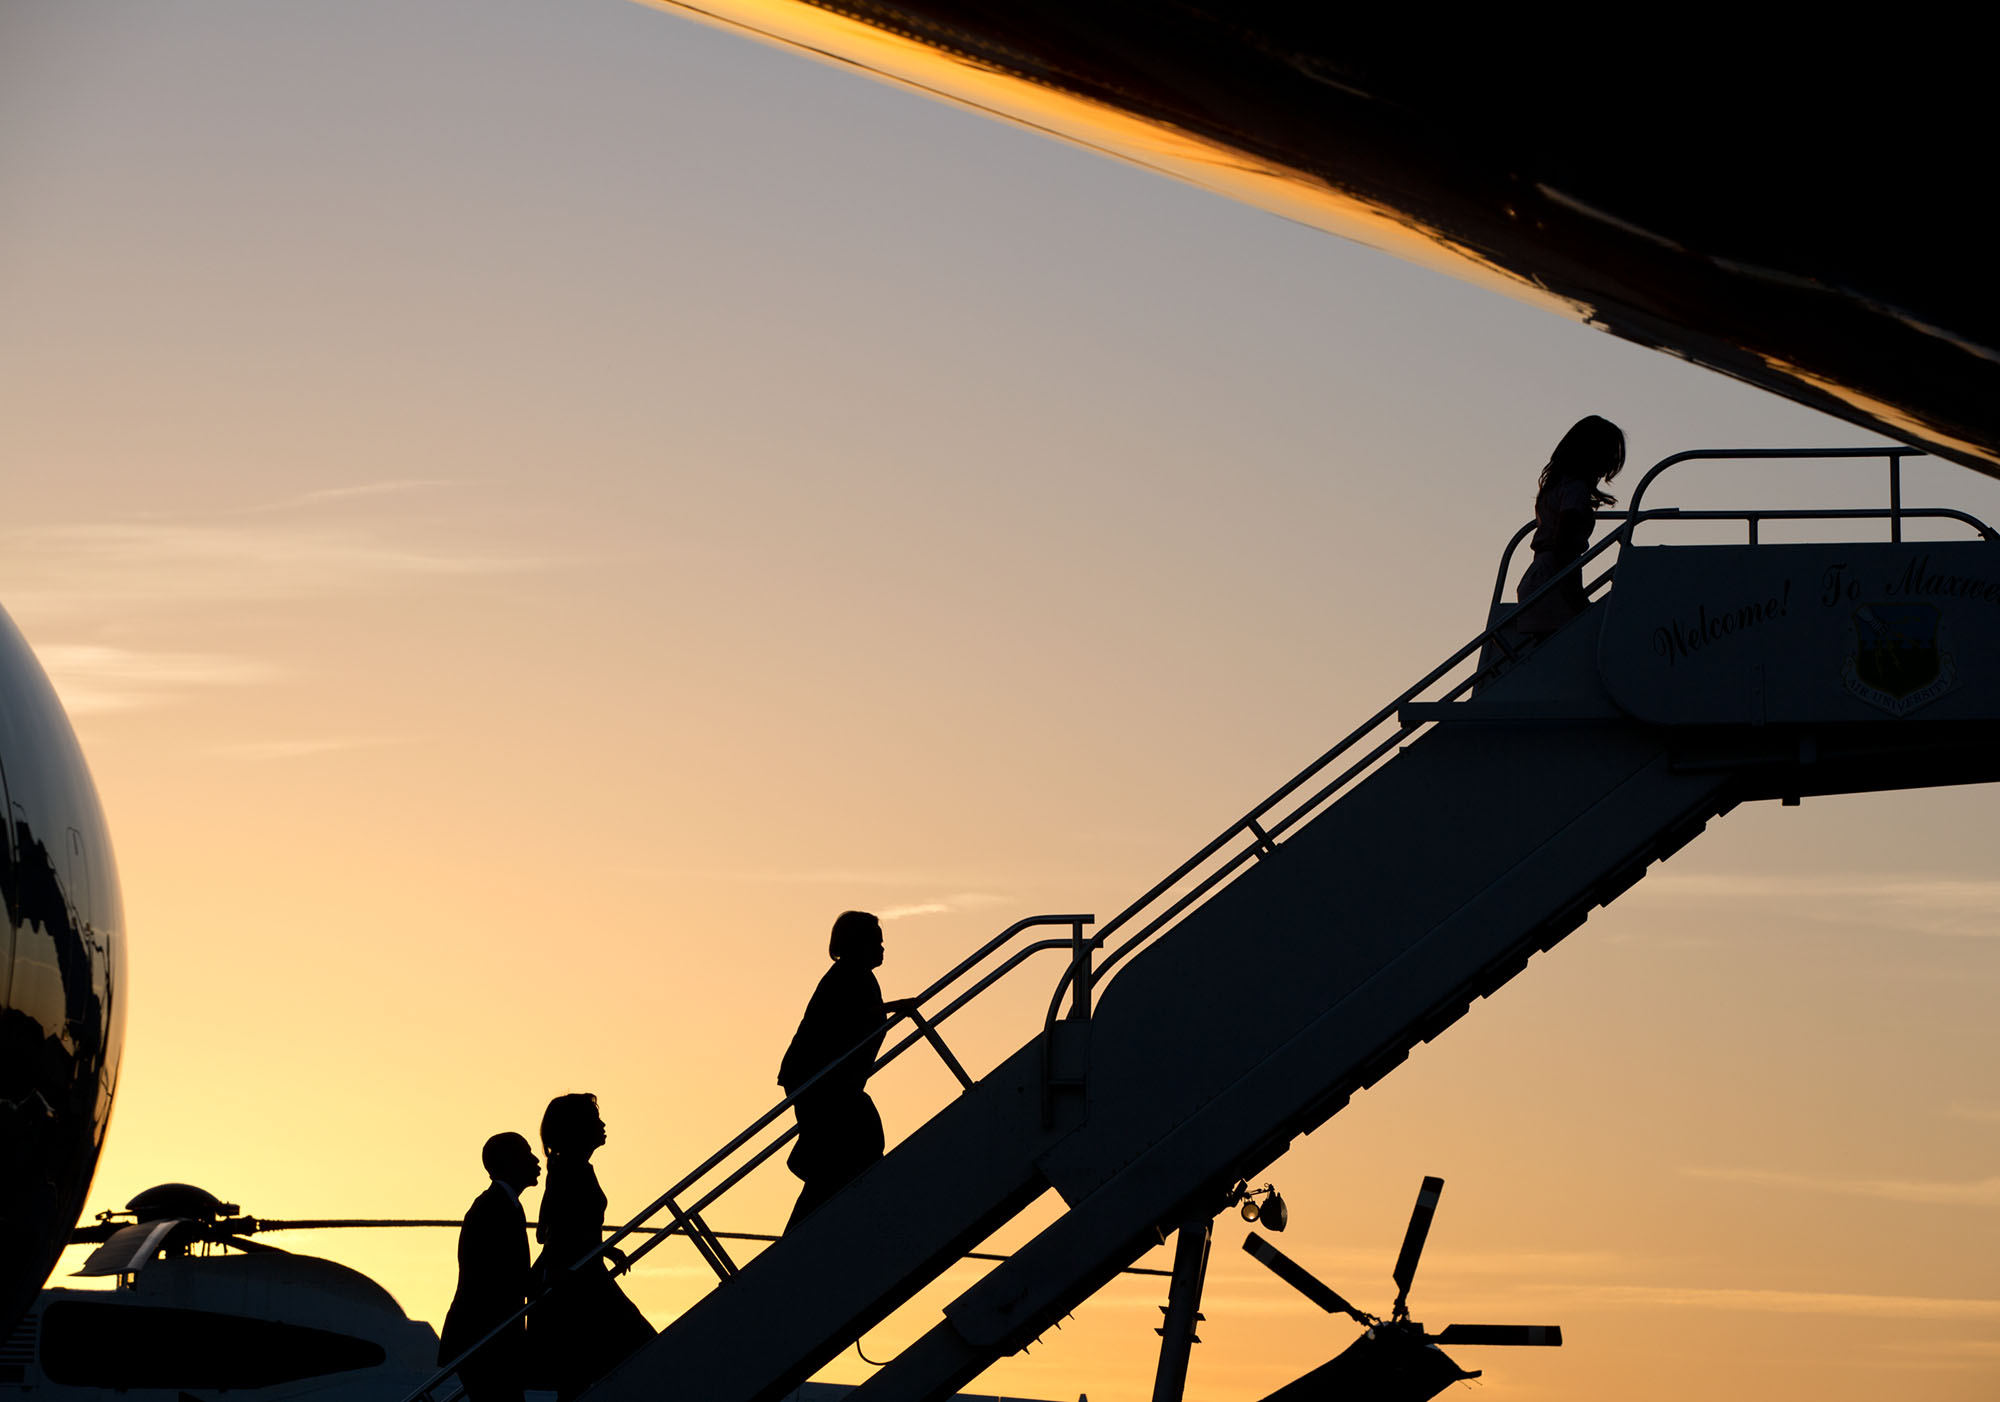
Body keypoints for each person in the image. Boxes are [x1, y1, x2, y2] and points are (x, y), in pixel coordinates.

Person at [778, 910, 916, 1232]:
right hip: (818, 1081)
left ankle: (816, 1226)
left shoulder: (854, 976)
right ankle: (806, 1234)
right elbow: (848, 1016)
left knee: (839, 1156)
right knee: (850, 1147)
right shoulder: (848, 975)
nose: (883, 950)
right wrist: (897, 1007)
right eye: (876, 943)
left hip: (825, 1081)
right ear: (858, 944)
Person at [529, 1093, 654, 1401]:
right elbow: (551, 1231)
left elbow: (550, 1229)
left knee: (580, 1379)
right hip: (578, 1286)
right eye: (594, 1120)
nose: (602, 1124)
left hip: (583, 1279)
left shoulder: (568, 1168)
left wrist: (602, 1248)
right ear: (577, 1128)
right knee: (639, 1352)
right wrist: (590, 1251)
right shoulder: (571, 1170)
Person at [438, 1132, 541, 1402]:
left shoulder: (504, 1205)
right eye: (527, 1153)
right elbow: (495, 1275)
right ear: (509, 1162)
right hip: (484, 1340)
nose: (536, 1160)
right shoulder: (492, 1208)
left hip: (488, 1340)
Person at [1513, 414, 1626, 636]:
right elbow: (1564, 548)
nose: (1610, 464)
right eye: (1609, 455)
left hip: (1539, 575)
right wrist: (1577, 597)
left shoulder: (1556, 488)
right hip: (1554, 579)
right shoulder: (1575, 492)